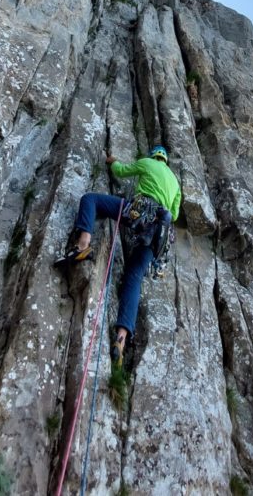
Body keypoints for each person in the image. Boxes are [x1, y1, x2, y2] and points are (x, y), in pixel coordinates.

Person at [56, 145, 181, 365]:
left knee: (90, 200)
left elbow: (121, 171)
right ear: (166, 160)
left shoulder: (148, 163)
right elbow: (176, 213)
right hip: (161, 235)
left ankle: (83, 244)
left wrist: (111, 161)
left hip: (142, 212)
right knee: (133, 277)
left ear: (154, 156)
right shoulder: (175, 183)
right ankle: (121, 339)